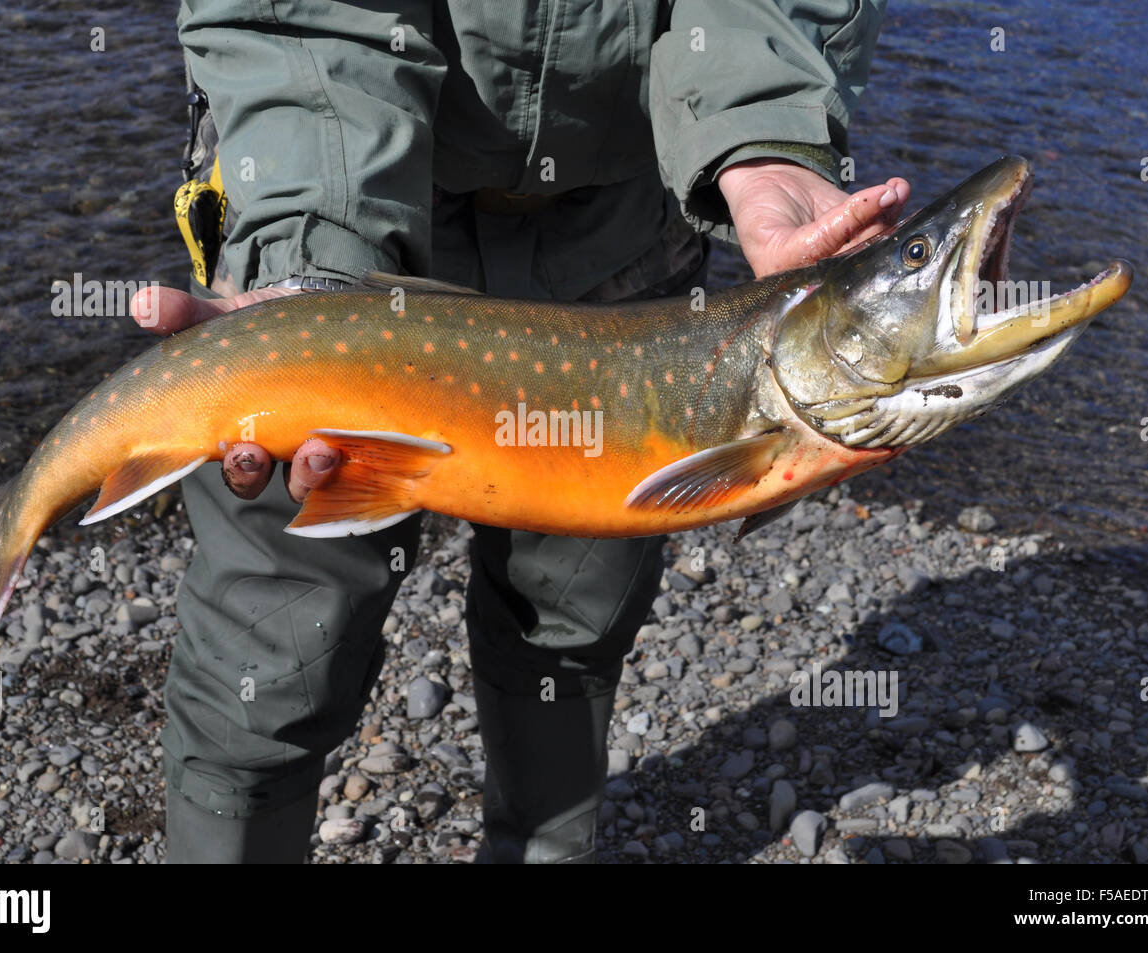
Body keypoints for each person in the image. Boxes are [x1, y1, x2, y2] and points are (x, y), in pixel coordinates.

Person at [132, 0, 910, 863]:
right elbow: (296, 20)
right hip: (325, 198)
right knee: (268, 648)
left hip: (621, 235)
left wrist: (765, 137)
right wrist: (315, 269)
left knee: (568, 631)